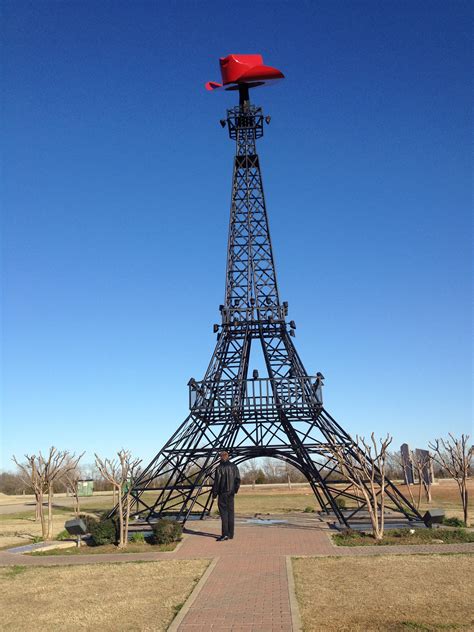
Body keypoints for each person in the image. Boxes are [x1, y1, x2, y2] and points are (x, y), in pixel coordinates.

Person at [211, 450, 241, 541]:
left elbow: (217, 482)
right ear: (227, 456)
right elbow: (238, 480)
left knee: (224, 514)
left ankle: (225, 534)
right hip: (230, 493)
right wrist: (234, 490)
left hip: (223, 493)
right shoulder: (234, 467)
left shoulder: (219, 468)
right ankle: (231, 534)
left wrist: (214, 494)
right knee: (231, 513)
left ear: (220, 457)